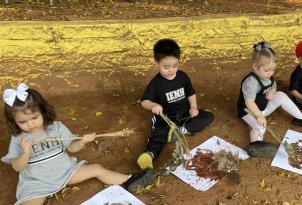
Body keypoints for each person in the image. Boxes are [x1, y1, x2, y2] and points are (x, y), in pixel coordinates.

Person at [1, 83, 155, 205]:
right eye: (22, 122)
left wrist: (82, 141)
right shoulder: (18, 139)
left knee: (96, 169)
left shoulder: (56, 127)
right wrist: (25, 153)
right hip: (37, 183)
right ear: (14, 122)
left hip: (67, 172)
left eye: (34, 118)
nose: (30, 124)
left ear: (42, 111)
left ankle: (129, 180)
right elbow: (17, 167)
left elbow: (72, 148)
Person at [237, 42, 302, 158]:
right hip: (250, 112)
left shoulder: (268, 75)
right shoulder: (250, 82)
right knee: (260, 127)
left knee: (280, 94)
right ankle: (256, 144)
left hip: (264, 108)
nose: (270, 73)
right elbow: (249, 102)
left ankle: (301, 119)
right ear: (255, 67)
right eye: (267, 70)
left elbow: (274, 84)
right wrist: (259, 115)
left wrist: (273, 91)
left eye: (272, 70)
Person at [137, 38, 214, 170]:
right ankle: (149, 155)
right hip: (165, 119)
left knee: (208, 117)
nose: (171, 70)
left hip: (184, 115)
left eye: (175, 66)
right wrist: (153, 106)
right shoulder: (156, 83)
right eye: (166, 67)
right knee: (158, 134)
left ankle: (180, 131)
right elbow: (144, 101)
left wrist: (194, 107)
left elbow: (191, 93)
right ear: (157, 63)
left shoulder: (182, 77)